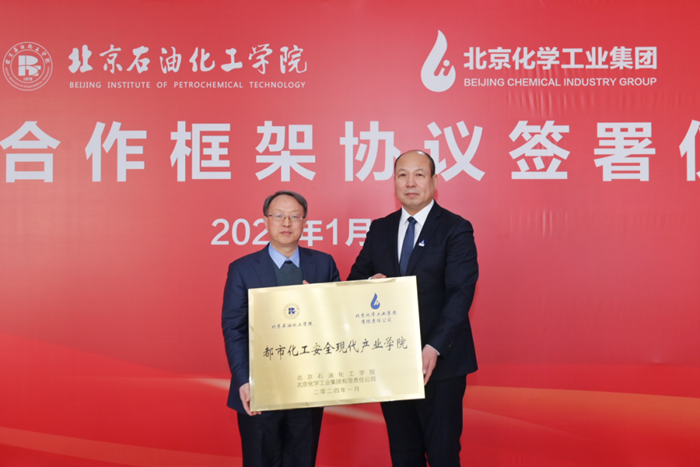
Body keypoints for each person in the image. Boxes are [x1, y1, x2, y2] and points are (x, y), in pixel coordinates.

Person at [347, 150, 479, 467]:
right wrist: (370, 284)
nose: (410, 182)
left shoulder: (455, 228)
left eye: (419, 174)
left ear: (434, 181)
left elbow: (460, 294)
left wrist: (434, 347)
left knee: (443, 454)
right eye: (402, 175)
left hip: (441, 363)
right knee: (404, 454)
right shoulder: (380, 228)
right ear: (394, 181)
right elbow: (355, 281)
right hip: (392, 361)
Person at [222, 190, 340, 467]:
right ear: (266, 220)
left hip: (308, 387)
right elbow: (234, 329)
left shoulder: (323, 264)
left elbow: (338, 322)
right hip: (259, 388)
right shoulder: (242, 269)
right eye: (278, 216)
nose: (286, 223)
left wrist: (320, 305)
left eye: (294, 216)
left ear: (304, 221)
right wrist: (244, 381)